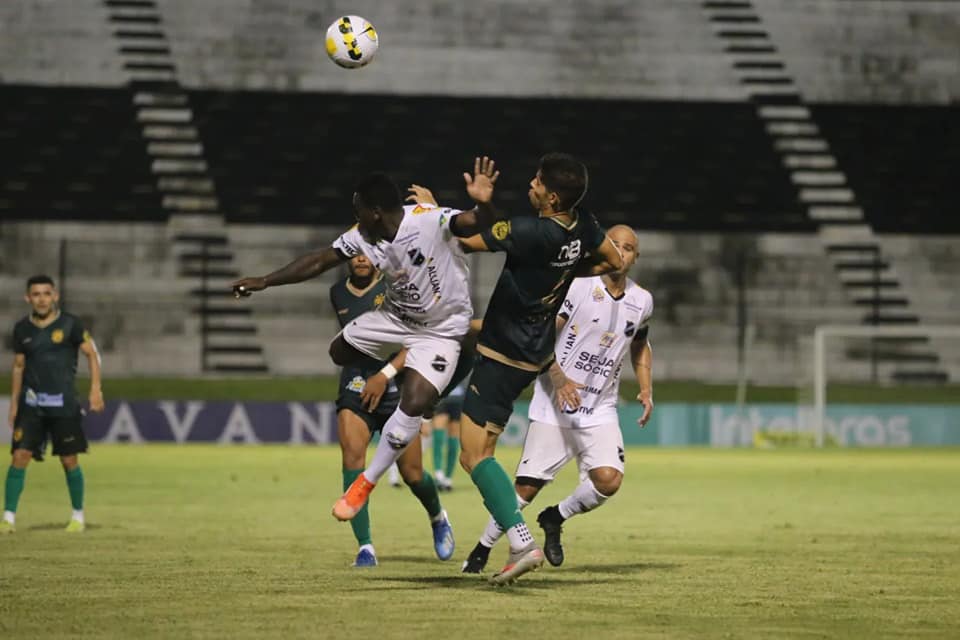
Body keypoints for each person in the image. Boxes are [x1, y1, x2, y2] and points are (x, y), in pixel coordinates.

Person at [230, 162, 502, 545]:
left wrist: (484, 204)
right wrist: (264, 281)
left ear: (374, 211)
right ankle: (424, 386)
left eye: (357, 210)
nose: (354, 218)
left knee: (415, 402)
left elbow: (474, 222)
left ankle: (368, 482)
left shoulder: (428, 220)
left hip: (440, 330)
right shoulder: (364, 235)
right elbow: (320, 259)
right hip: (396, 318)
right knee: (338, 350)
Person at [454, 153, 625, 585]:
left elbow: (468, 241)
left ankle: (521, 542)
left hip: (501, 351)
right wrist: (566, 272)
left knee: (473, 456)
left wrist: (476, 206)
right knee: (482, 449)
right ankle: (516, 543)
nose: (530, 184)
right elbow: (613, 262)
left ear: (551, 197)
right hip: (532, 355)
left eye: (536, 181)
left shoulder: (531, 231)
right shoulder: (583, 224)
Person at [462, 225, 653, 572]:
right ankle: (482, 548)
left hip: (600, 408)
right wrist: (558, 377)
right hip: (555, 404)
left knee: (609, 480)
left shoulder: (642, 301)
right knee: (525, 490)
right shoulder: (578, 286)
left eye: (628, 248)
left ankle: (555, 517)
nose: (620, 253)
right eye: (614, 245)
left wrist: (646, 387)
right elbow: (542, 333)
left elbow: (640, 344)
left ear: (636, 257)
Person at [330, 254, 455, 566]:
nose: (361, 258)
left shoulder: (397, 287)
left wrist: (384, 375)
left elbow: (414, 341)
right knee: (352, 460)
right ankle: (365, 548)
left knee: (413, 475)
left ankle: (438, 517)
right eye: (354, 253)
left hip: (398, 385)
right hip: (355, 385)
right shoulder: (337, 292)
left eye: (366, 253)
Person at [2, 275, 105, 534]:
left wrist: (95, 389)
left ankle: (78, 516)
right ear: (28, 298)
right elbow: (18, 367)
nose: (42, 299)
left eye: (46, 294)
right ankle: (8, 518)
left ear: (55, 296)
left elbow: (92, 354)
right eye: (36, 294)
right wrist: (14, 403)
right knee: (19, 456)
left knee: (69, 459)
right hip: (31, 404)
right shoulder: (22, 329)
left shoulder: (71, 324)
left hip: (64, 404)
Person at [429, 382, 466, 492]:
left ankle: (448, 478)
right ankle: (439, 474)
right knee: (438, 436)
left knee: (453, 439)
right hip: (443, 397)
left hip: (458, 399)